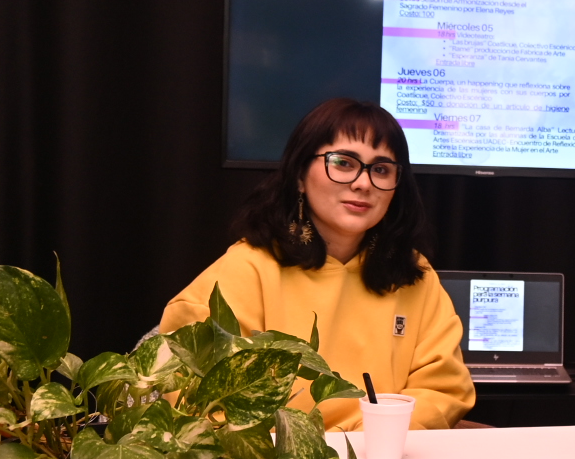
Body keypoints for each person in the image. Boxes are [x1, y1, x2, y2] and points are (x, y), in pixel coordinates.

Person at [159, 98, 474, 431]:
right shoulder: (246, 269)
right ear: (299, 175)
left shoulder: (413, 273)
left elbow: (444, 390)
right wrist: (319, 448)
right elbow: (199, 401)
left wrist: (370, 439)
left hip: (386, 454)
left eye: (381, 169)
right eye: (343, 163)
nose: (363, 183)